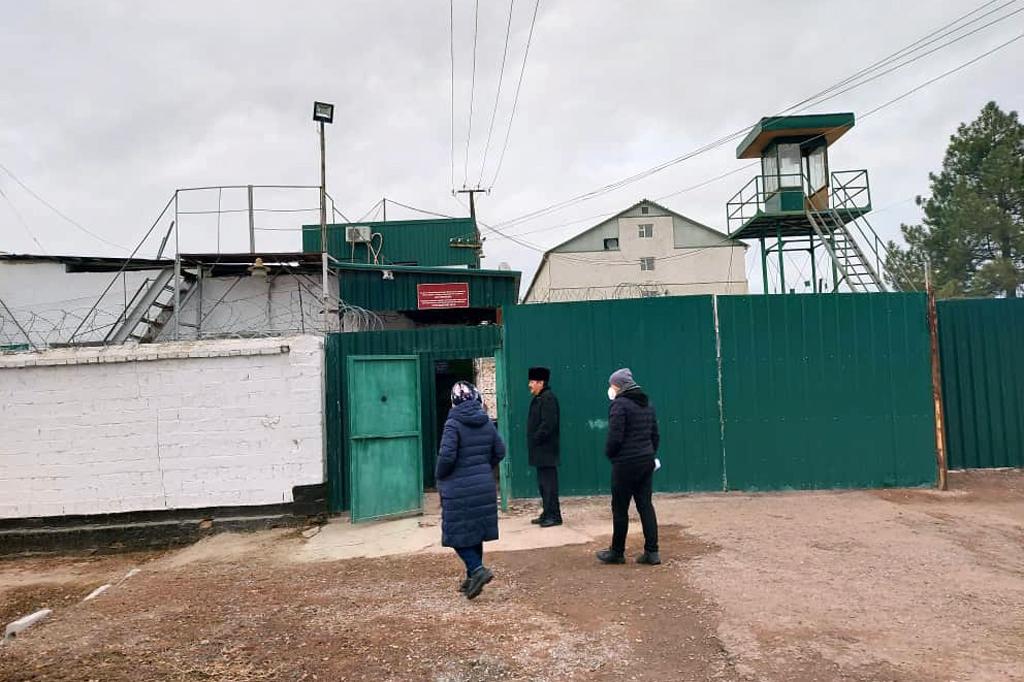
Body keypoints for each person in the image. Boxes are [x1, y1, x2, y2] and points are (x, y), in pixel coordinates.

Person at [436, 381, 507, 600]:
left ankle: (477, 569)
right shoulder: (486, 421)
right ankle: (471, 577)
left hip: (459, 488)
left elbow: (447, 456)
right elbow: (500, 451)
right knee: (475, 532)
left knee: (455, 534)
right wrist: (484, 467)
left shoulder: (453, 423)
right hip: (483, 485)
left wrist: (440, 474)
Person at [597, 368, 661, 566]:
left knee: (620, 508)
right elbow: (655, 434)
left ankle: (617, 552)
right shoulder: (647, 403)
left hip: (625, 463)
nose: (611, 389)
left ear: (620, 386)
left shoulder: (619, 405)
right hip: (646, 460)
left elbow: (615, 437)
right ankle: (652, 552)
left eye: (612, 385)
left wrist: (611, 454)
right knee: (645, 505)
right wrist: (649, 453)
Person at [527, 367, 562, 527]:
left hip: (546, 450)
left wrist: (536, 438)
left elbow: (548, 423)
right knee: (543, 484)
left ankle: (554, 516)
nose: (529, 385)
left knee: (549, 485)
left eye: (532, 382)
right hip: (540, 451)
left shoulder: (548, 398)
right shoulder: (540, 398)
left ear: (541, 383)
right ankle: (547, 512)